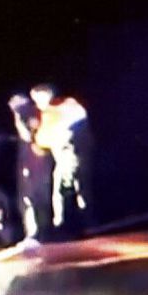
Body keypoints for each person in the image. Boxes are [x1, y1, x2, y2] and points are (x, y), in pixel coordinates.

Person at [30, 84, 91, 237]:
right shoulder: (47, 114)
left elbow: (79, 116)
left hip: (69, 154)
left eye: (39, 99)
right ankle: (70, 223)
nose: (37, 103)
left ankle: (71, 224)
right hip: (64, 155)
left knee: (67, 188)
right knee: (66, 188)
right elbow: (42, 141)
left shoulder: (63, 107)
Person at [10, 93, 53, 243]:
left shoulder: (34, 116)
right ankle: (33, 233)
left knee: (37, 200)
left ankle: (41, 233)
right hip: (27, 165)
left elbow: (28, 136)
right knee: (26, 201)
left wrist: (17, 117)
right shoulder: (27, 117)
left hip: (37, 166)